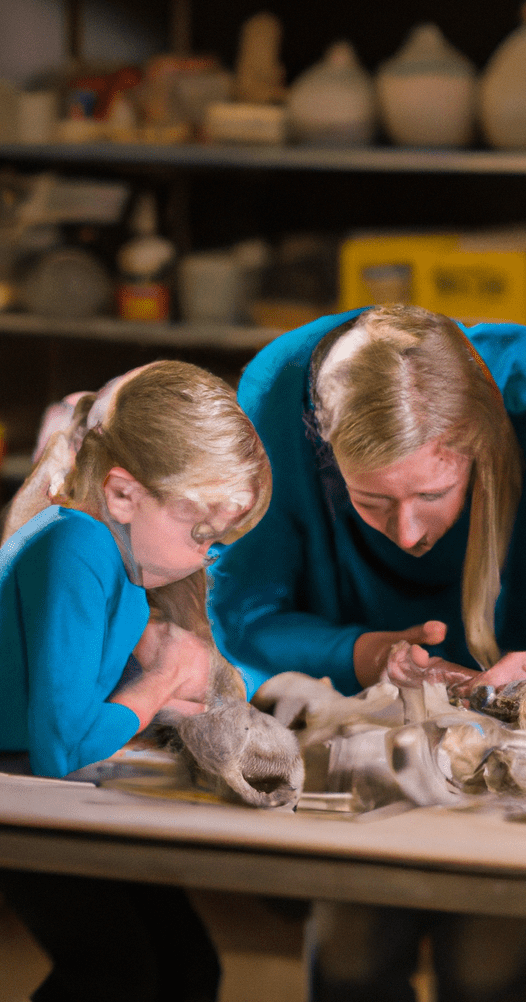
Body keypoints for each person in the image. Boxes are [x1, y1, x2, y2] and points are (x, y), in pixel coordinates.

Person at [206, 303, 526, 1002]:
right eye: (371, 501)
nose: (407, 532)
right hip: (347, 719)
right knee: (351, 954)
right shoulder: (276, 397)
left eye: (434, 494)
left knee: (486, 962)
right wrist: (366, 653)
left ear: (477, 443)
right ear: (325, 452)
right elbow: (241, 618)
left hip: (502, 718)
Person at [0, 359, 272, 1002]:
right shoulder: (76, 546)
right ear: (123, 494)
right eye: (200, 532)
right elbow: (61, 746)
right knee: (113, 977)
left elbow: (89, 699)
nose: (206, 555)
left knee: (189, 966)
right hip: (23, 800)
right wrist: (160, 683)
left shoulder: (115, 560)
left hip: (43, 790)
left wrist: (175, 693)